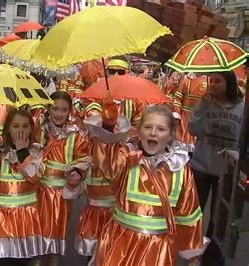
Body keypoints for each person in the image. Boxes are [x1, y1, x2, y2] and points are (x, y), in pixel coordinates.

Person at [88, 102, 206, 265]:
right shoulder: (127, 158)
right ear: (138, 131)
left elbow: (188, 212)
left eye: (161, 129)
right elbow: (107, 164)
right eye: (148, 127)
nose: (153, 133)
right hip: (120, 242)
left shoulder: (180, 168)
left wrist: (191, 253)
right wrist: (108, 127)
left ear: (171, 134)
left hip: (156, 248)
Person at [0, 108, 45, 266]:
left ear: (31, 128)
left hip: (25, 217)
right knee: (4, 260)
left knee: (23, 260)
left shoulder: (37, 152)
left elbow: (35, 175)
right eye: (16, 126)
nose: (20, 131)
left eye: (25, 126)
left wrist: (22, 151)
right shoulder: (0, 152)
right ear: (8, 128)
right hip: (1, 216)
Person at [188, 71, 244, 236]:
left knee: (219, 215)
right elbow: (193, 130)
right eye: (210, 81)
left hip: (226, 170)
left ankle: (212, 250)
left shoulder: (242, 107)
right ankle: (192, 245)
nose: (212, 85)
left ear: (229, 83)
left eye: (217, 81)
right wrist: (203, 107)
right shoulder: (205, 104)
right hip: (201, 166)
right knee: (193, 210)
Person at [36, 91, 89, 265]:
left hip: (61, 195)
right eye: (55, 108)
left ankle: (53, 259)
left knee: (56, 232)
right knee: (37, 232)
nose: (59, 114)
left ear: (70, 111)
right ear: (48, 108)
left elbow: (83, 157)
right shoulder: (39, 128)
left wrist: (77, 173)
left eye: (64, 110)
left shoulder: (75, 134)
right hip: (37, 192)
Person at [173, 73, 208, 146]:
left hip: (204, 119)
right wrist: (176, 118)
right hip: (185, 119)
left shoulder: (212, 80)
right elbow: (177, 100)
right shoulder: (187, 79)